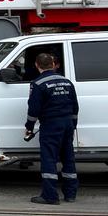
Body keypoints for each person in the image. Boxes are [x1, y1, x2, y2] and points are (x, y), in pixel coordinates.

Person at [25, 52, 79, 205]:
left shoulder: (38, 84)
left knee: (49, 159)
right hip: (67, 124)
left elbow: (33, 110)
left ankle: (50, 196)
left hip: (51, 125)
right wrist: (73, 127)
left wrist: (29, 128)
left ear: (37, 65)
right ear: (53, 64)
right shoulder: (67, 82)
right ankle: (70, 194)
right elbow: (75, 107)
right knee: (68, 158)